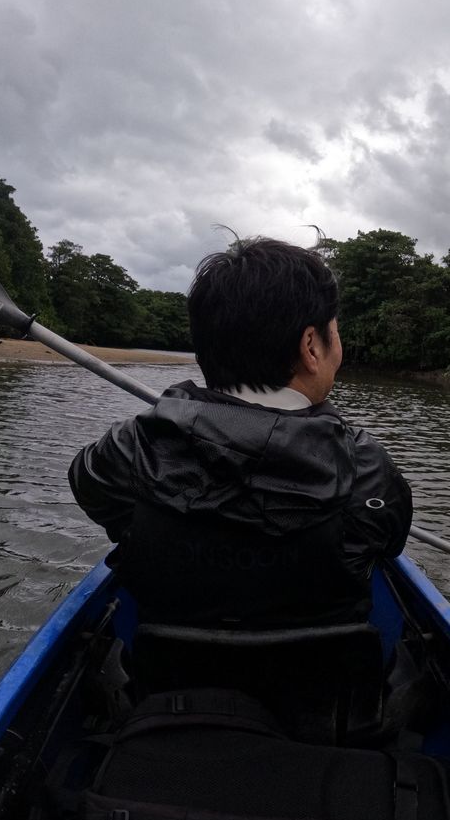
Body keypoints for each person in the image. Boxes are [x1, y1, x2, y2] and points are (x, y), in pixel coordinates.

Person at [68, 238, 411, 628]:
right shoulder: (367, 469)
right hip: (328, 668)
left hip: (168, 666)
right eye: (335, 331)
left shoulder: (130, 450)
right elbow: (389, 545)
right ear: (311, 347)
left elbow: (89, 486)